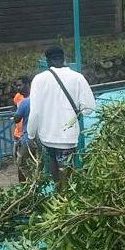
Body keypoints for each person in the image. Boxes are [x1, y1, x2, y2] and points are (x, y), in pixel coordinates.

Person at [27, 46, 95, 190]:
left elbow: (35, 112)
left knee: (53, 163)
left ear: (47, 61)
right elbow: (88, 108)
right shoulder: (78, 78)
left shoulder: (39, 79)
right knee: (67, 166)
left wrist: (31, 134)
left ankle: (58, 194)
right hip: (68, 136)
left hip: (47, 136)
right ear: (64, 59)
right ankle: (66, 198)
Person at [13, 88, 39, 182]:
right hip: (44, 139)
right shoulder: (45, 102)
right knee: (40, 165)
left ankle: (24, 187)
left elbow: (17, 118)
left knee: (22, 165)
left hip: (28, 139)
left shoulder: (25, 102)